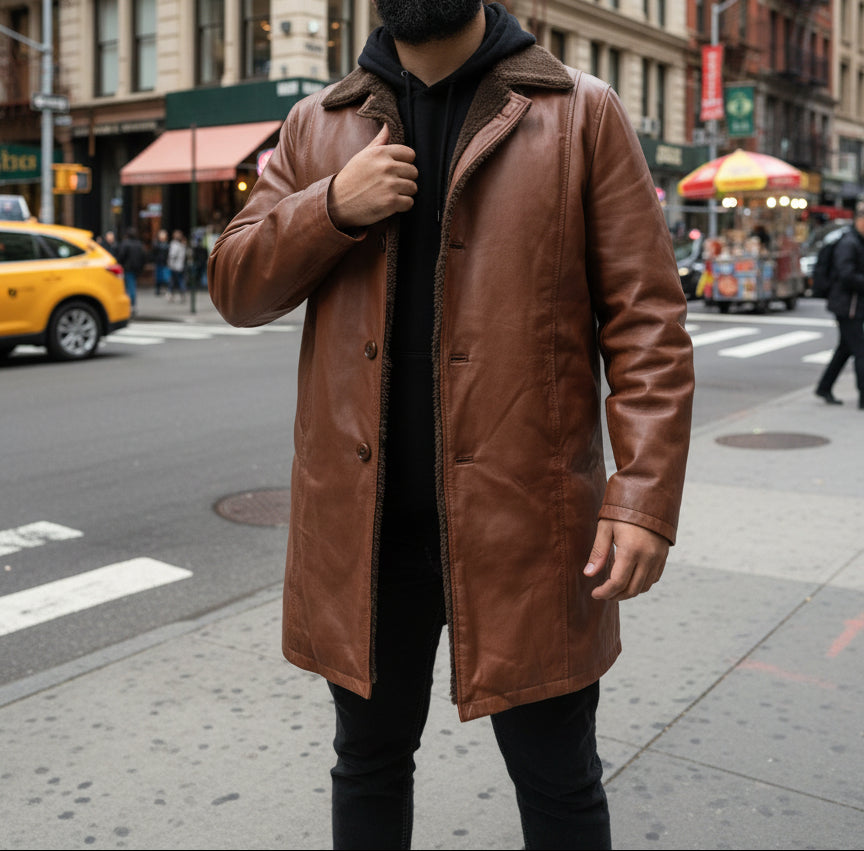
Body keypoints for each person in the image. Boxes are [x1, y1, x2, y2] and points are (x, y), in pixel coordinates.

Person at [208, 3, 695, 849]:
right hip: (363, 541)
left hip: (531, 536)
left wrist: (643, 494)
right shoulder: (315, 125)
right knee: (367, 763)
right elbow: (236, 288)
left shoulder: (581, 113)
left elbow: (645, 320)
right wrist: (333, 206)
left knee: (559, 779)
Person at [814, 200, 864, 409]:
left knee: (845, 348)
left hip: (852, 305)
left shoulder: (857, 241)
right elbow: (846, 275)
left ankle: (824, 387)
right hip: (847, 306)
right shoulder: (849, 242)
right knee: (861, 352)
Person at [113, 227, 146, 316]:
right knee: (132, 285)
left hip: (128, 268)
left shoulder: (126, 244)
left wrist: (119, 263)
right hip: (136, 268)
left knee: (129, 287)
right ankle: (132, 305)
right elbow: (143, 257)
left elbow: (121, 256)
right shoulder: (139, 244)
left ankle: (131, 305)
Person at [166, 230, 187, 302]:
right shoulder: (182, 245)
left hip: (175, 266)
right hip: (180, 266)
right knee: (178, 280)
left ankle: (171, 294)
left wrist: (170, 263)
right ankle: (181, 294)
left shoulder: (174, 244)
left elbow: (172, 255)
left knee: (173, 281)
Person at [152, 229, 171, 296]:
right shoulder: (157, 244)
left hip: (165, 263)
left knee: (166, 277)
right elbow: (154, 252)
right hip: (159, 262)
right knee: (158, 277)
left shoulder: (167, 244)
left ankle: (167, 289)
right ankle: (158, 289)